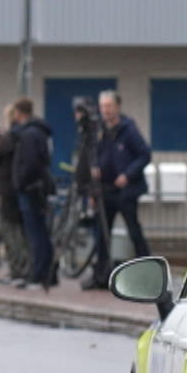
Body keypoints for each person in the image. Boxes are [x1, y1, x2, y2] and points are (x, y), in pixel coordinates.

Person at [94, 89, 152, 281]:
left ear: (117, 107)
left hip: (126, 190)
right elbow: (94, 154)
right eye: (102, 106)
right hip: (105, 189)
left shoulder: (129, 129)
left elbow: (144, 155)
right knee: (102, 233)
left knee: (134, 231)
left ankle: (146, 271)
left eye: (109, 106)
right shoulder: (100, 130)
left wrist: (128, 175)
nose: (105, 110)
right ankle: (101, 273)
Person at [8, 97, 57, 290]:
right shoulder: (38, 132)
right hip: (36, 188)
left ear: (19, 113)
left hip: (30, 190)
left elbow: (30, 164)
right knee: (40, 231)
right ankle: (46, 272)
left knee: (36, 233)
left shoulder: (29, 134)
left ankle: (39, 274)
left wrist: (20, 182)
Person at [0, 121, 31, 285]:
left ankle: (18, 269)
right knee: (13, 230)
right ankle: (18, 269)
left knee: (9, 230)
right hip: (12, 191)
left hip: (6, 192)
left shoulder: (8, 140)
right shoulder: (20, 139)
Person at [70, 98, 107, 290]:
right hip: (86, 186)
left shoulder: (93, 131)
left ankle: (102, 271)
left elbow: (93, 158)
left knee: (100, 231)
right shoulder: (84, 132)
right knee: (97, 230)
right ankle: (100, 270)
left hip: (96, 188)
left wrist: (92, 188)